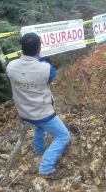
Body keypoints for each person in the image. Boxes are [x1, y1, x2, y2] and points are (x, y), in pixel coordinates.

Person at [6, 32, 70, 180]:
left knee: (39, 129)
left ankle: (39, 152)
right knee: (63, 136)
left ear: (21, 49)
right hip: (42, 113)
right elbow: (51, 77)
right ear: (39, 49)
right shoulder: (45, 68)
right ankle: (46, 168)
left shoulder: (10, 66)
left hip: (24, 112)